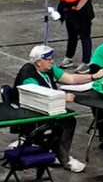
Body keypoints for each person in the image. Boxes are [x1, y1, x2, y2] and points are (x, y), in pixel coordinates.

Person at [14, 44, 92, 173]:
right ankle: (64, 159)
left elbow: (71, 79)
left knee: (68, 119)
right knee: (68, 121)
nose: (52, 61)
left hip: (48, 108)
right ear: (38, 62)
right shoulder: (29, 78)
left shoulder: (48, 69)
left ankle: (54, 151)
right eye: (48, 59)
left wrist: (93, 77)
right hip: (34, 112)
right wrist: (63, 97)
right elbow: (41, 97)